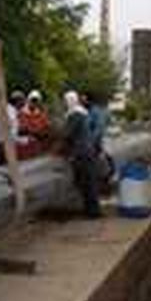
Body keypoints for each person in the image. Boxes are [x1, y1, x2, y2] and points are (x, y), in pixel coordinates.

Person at [61, 90, 101, 218]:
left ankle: (91, 212)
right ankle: (92, 210)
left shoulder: (75, 115)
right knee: (89, 181)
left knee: (86, 182)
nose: (64, 103)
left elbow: (67, 134)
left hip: (82, 152)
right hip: (88, 150)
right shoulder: (82, 113)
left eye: (65, 101)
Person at [0, 90, 23, 166]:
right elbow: (12, 136)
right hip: (0, 146)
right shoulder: (11, 114)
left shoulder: (5, 109)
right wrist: (24, 141)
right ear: (18, 101)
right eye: (21, 101)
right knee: (0, 171)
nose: (22, 104)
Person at [17, 89, 51, 158]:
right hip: (25, 143)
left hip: (38, 142)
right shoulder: (22, 113)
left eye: (36, 101)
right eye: (33, 101)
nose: (34, 103)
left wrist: (43, 131)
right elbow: (22, 127)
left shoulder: (40, 113)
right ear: (28, 100)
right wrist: (32, 130)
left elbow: (46, 125)